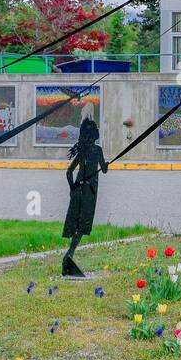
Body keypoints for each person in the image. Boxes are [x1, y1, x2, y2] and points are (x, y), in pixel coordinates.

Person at [62, 118, 108, 278]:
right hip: (89, 192)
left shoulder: (82, 151)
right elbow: (104, 170)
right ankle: (69, 255)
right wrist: (106, 165)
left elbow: (69, 172)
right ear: (93, 134)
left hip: (78, 190)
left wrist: (72, 188)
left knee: (76, 224)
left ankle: (69, 255)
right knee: (82, 226)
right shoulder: (97, 150)